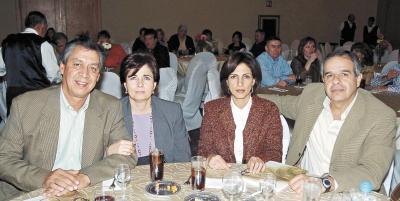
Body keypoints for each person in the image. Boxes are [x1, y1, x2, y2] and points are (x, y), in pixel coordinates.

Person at [0, 36, 137, 200]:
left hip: (84, 192)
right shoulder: (26, 105)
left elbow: (127, 156)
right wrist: (45, 178)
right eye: (77, 65)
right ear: (62, 68)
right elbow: (4, 159)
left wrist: (85, 177)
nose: (84, 74)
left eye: (93, 68)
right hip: (37, 193)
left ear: (98, 77)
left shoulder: (109, 107)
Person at [258, 50, 397, 193]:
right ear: (323, 80)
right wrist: (244, 92)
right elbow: (280, 103)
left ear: (358, 78)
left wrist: (324, 183)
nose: (336, 80)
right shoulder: (312, 96)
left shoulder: (380, 116)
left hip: (346, 193)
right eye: (329, 75)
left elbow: (372, 171)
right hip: (298, 187)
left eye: (344, 74)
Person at [198, 52, 282, 174]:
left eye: (246, 77)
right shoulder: (212, 109)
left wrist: (261, 159)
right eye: (233, 77)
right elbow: (203, 150)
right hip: (222, 178)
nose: (240, 83)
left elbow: (275, 152)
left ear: (254, 80)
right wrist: (210, 158)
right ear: (226, 82)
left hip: (256, 179)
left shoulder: (269, 110)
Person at [106, 52, 191, 165]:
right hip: (126, 178)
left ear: (154, 85)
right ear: (125, 85)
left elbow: (183, 160)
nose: (140, 84)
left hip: (163, 178)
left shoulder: (172, 112)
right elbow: (93, 159)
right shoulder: (111, 112)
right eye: (133, 78)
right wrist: (108, 151)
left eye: (146, 78)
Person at [1, 11, 61, 114]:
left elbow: (1, 69)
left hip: (13, 98)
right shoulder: (43, 44)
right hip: (37, 98)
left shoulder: (7, 42)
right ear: (42, 26)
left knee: (17, 128)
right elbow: (54, 74)